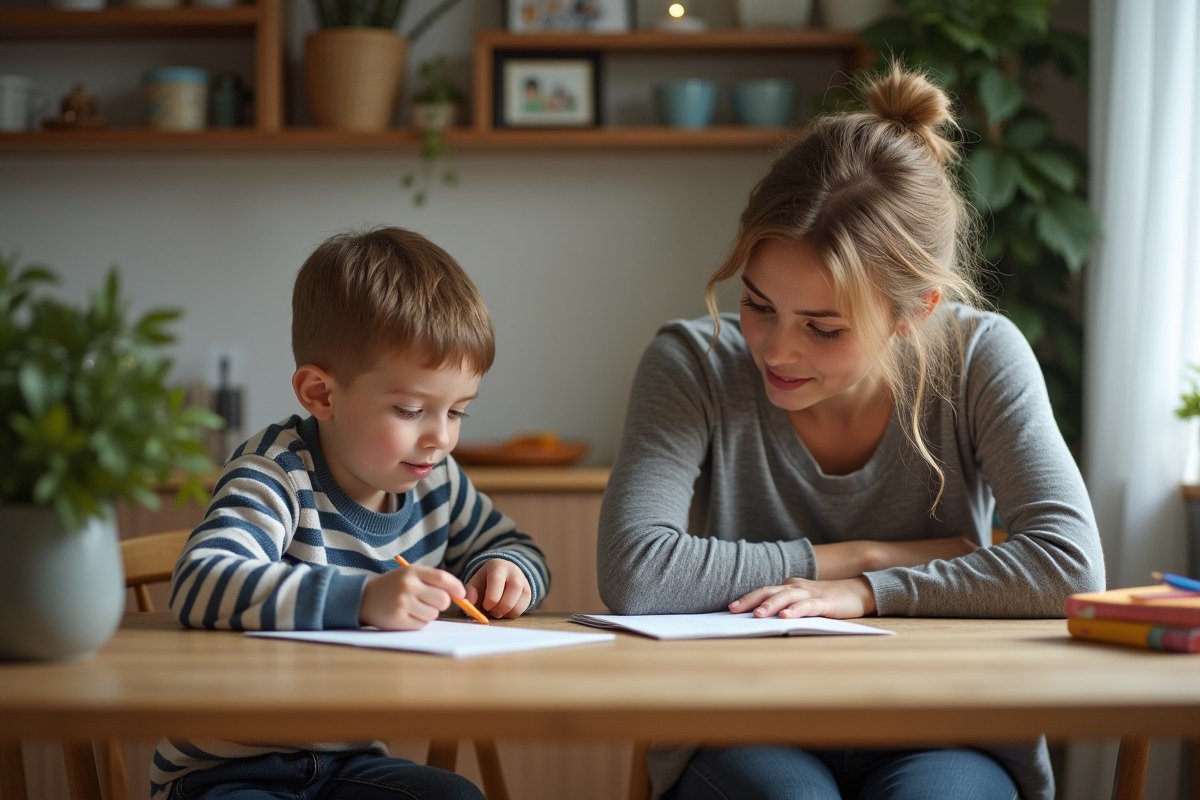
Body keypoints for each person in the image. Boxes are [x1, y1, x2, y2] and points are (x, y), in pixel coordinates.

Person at [597, 65, 1105, 800]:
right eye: (759, 305)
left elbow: (1069, 567)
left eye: (824, 327)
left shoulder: (981, 356)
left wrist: (871, 588)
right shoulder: (692, 363)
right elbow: (637, 573)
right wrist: (858, 555)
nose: (776, 350)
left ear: (917, 311)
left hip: (949, 730)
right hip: (746, 725)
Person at [151, 227, 550, 800]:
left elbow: (517, 546)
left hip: (348, 764)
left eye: (458, 411)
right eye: (411, 409)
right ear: (321, 395)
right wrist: (362, 599)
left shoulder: (437, 484)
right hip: (227, 769)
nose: (440, 438)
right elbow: (199, 582)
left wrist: (507, 571)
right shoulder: (276, 474)